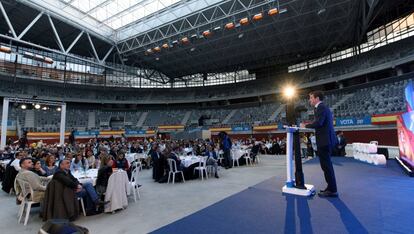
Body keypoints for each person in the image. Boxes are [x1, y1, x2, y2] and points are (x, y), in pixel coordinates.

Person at [301, 90, 338, 197]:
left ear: (317, 98)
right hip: (325, 140)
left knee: (326, 166)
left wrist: (305, 126)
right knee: (326, 166)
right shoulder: (321, 107)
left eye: (311, 98)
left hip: (325, 141)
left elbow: (319, 123)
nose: (309, 100)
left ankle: (332, 190)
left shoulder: (320, 107)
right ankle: (331, 187)